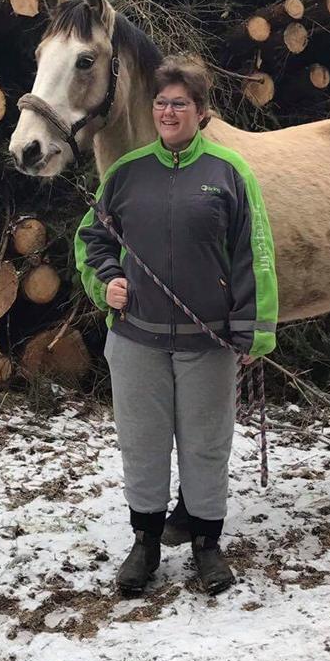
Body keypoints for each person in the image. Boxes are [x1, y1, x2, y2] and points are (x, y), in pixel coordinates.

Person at [75, 56, 278, 596]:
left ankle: (207, 545)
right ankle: (144, 542)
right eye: (161, 102)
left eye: (179, 103)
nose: (168, 111)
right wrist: (108, 282)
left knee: (206, 444)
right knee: (141, 443)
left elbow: (253, 255)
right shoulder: (126, 172)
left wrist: (252, 331)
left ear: (201, 111)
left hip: (205, 343)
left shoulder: (228, 174)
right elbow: (92, 238)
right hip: (136, 339)